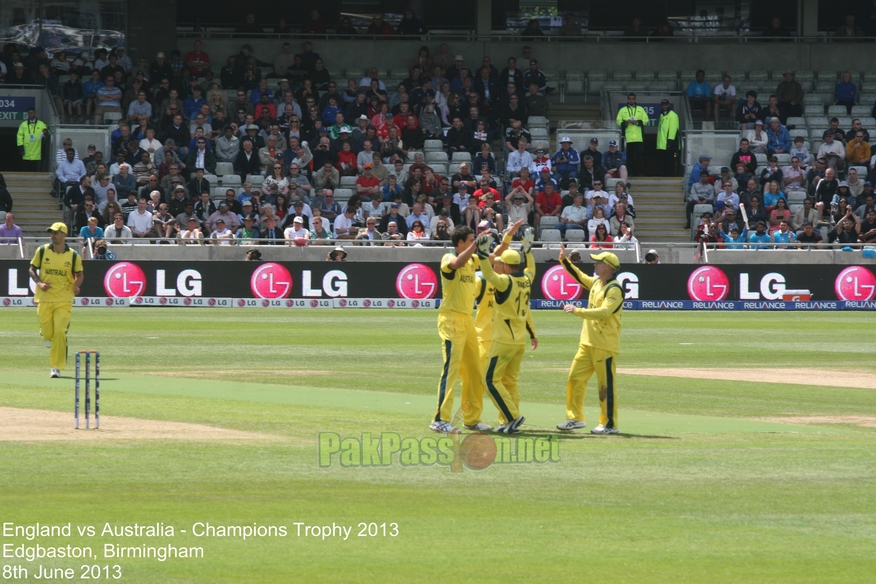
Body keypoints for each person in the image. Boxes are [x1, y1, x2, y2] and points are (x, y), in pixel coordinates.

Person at [474, 224, 535, 433]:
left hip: (502, 340)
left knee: (489, 380)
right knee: (510, 382)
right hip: (519, 341)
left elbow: (488, 275)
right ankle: (509, 422)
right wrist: (528, 250)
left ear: (507, 266)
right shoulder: (527, 279)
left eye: (500, 263)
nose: (497, 264)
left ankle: (513, 417)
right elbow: (531, 269)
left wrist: (482, 255)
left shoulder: (504, 282)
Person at [556, 246, 622, 434]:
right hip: (587, 343)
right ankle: (575, 418)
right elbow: (578, 275)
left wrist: (577, 310)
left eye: (599, 262)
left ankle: (609, 424)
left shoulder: (614, 289)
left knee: (605, 386)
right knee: (575, 379)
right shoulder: (596, 283)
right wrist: (564, 260)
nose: (595, 264)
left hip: (605, 345)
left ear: (608, 267)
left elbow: (604, 312)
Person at [430, 226, 483, 434]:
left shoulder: (472, 259)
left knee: (474, 369)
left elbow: (493, 257)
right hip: (451, 319)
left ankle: (471, 418)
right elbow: (457, 263)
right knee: (451, 371)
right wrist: (477, 245)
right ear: (460, 243)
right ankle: (440, 419)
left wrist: (506, 237)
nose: (473, 243)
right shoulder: (448, 257)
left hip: (467, 319)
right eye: (470, 240)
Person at [29, 222, 84, 378]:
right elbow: (32, 268)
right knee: (48, 334)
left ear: (64, 234)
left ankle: (56, 367)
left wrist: (76, 286)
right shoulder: (42, 251)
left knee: (60, 332)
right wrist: (39, 282)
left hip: (64, 299)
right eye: (51, 233)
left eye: (56, 233)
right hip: (45, 298)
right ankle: (45, 334)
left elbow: (79, 274)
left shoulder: (73, 255)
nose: (53, 235)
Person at [615, 93, 648, 176]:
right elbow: (618, 121)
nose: (631, 100)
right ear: (627, 99)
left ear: (635, 99)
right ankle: (630, 172)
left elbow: (646, 120)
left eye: (633, 99)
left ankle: (639, 172)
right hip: (628, 138)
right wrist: (625, 123)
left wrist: (637, 122)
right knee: (629, 156)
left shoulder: (640, 109)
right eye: (630, 98)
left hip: (638, 137)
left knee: (639, 156)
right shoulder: (623, 110)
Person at [656, 99, 679, 176]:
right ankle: (664, 175)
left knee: (670, 161)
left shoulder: (672, 115)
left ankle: (670, 176)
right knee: (663, 161)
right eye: (663, 105)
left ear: (669, 105)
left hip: (669, 144)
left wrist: (670, 142)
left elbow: (673, 129)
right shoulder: (662, 114)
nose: (664, 106)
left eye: (666, 104)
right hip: (662, 144)